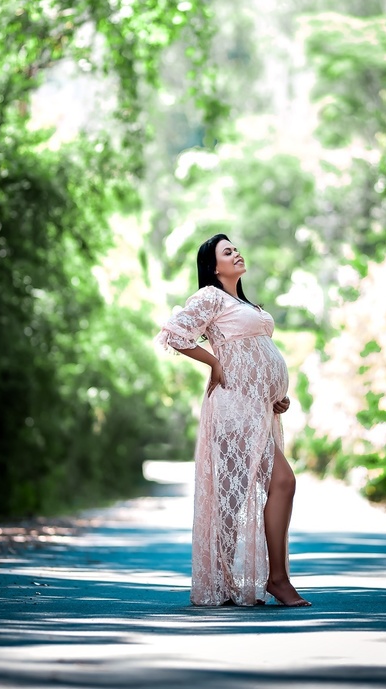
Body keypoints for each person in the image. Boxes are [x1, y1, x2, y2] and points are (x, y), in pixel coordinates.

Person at [157, 233, 311, 607]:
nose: (237, 253)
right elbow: (174, 334)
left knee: (239, 493)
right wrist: (213, 362)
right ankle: (274, 579)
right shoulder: (210, 296)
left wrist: (275, 395)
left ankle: (237, 580)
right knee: (276, 484)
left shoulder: (241, 302)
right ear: (214, 267)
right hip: (233, 408)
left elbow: (257, 354)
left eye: (236, 248)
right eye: (228, 252)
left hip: (257, 408)